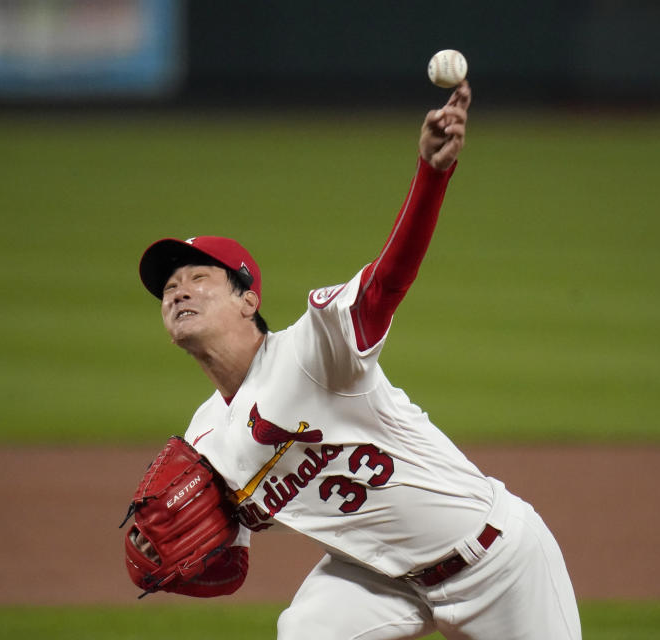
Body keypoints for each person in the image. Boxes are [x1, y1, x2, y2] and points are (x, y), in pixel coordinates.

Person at [137, 82, 581, 640]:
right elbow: (227, 555)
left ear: (248, 299)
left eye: (199, 278)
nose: (178, 292)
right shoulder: (203, 439)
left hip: (498, 561)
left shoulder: (313, 350)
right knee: (303, 632)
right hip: (381, 580)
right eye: (170, 287)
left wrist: (432, 174)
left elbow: (389, 280)